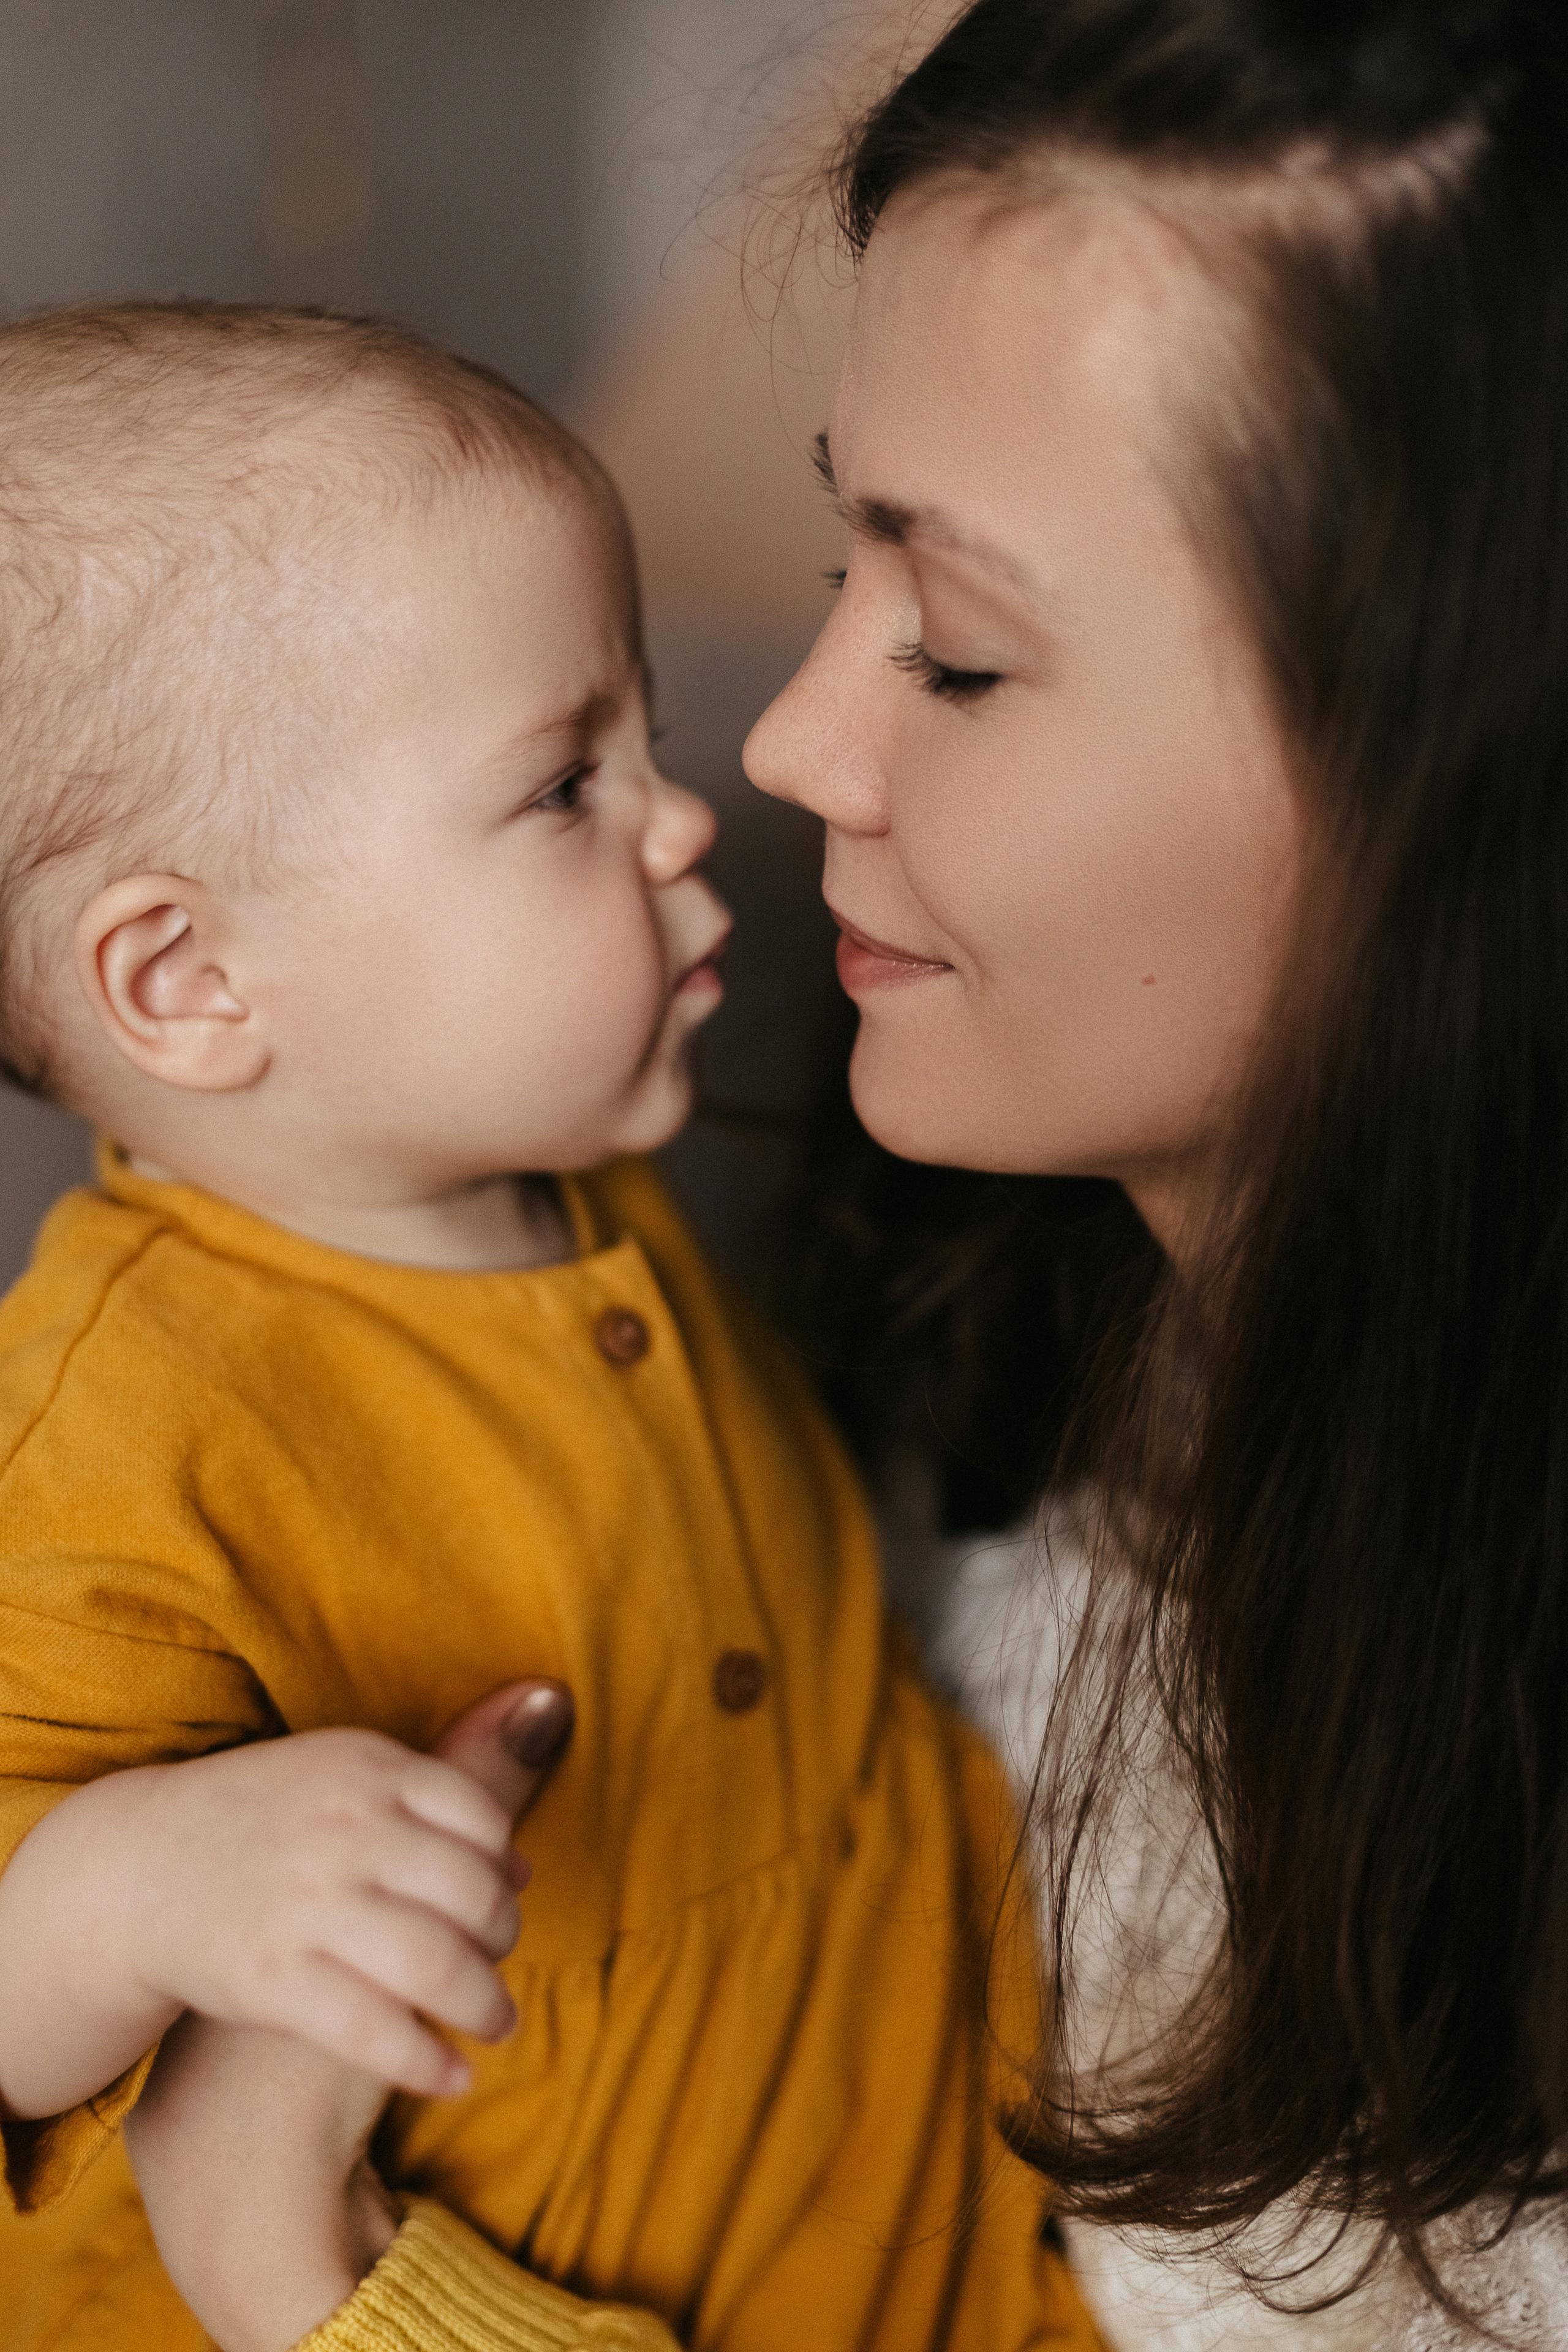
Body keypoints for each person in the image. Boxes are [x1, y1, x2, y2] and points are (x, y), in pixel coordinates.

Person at [124, 0, 1568, 2344]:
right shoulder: (953, 1350)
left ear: (1472, 786)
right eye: (835, 562)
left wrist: (312, 2268)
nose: (790, 746)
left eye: (963, 655)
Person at [0, 302, 1100, 2351]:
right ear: (189, 984)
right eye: (563, 784)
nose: (685, 817)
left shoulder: (562, 1183)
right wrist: (134, 1886)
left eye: (645, 738)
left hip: (930, 2228)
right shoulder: (123, 1433)